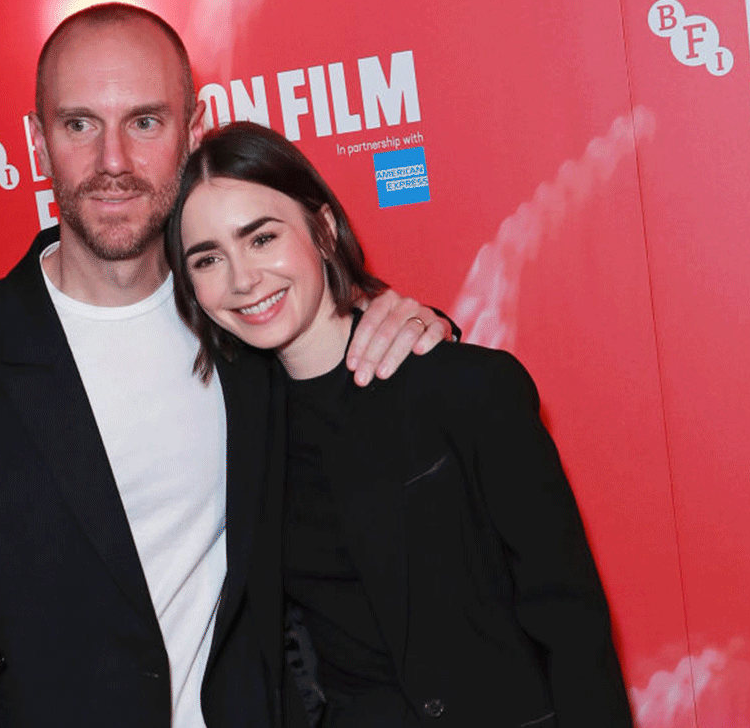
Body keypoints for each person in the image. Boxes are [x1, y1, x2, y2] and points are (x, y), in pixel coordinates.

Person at [0, 4, 455, 728]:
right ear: (36, 142)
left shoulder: (246, 316)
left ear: (192, 129)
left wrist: (424, 327)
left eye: (145, 122)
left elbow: (353, 345)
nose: (112, 162)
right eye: (79, 124)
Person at [164, 121, 634, 727]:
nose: (242, 279)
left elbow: (571, 624)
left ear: (324, 230)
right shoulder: (236, 431)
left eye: (262, 238)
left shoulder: (465, 389)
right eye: (208, 258)